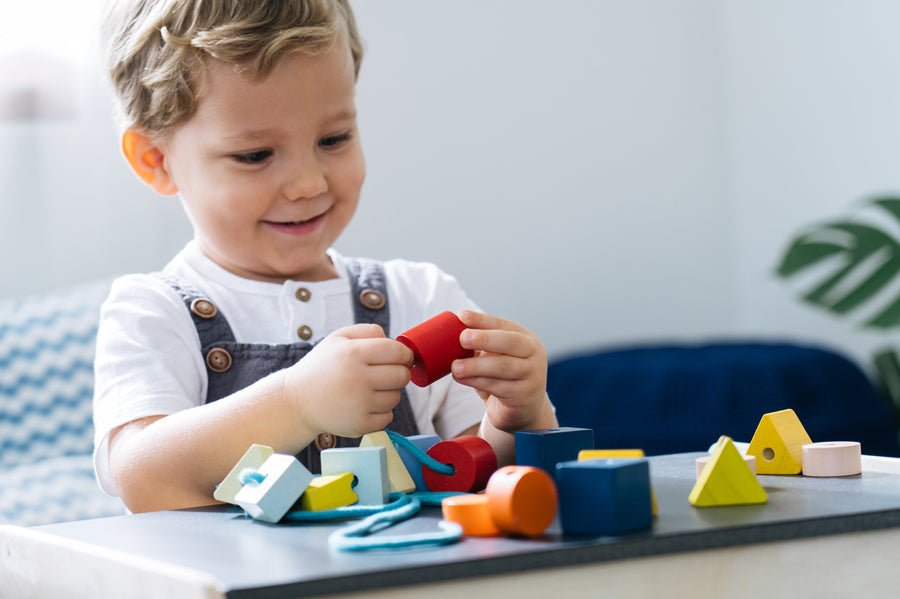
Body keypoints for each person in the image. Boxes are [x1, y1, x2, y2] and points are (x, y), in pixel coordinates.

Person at [94, 0, 558, 514]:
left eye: (333, 139)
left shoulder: (421, 297)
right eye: (255, 156)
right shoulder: (153, 311)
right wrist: (296, 401)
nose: (309, 184)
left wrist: (521, 414)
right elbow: (142, 478)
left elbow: (480, 478)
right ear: (156, 161)